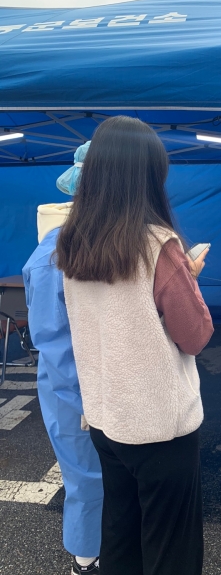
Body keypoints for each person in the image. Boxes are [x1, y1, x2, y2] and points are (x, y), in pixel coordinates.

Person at [56, 115, 214, 575]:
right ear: (146, 176)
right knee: (171, 550)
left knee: (121, 534)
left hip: (106, 417)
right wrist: (188, 280)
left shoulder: (73, 242)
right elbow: (195, 336)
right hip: (159, 426)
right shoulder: (157, 245)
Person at [22, 141, 103, 575]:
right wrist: (90, 398)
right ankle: (86, 558)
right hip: (73, 387)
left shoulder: (87, 241)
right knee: (86, 473)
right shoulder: (57, 254)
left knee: (99, 472)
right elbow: (55, 342)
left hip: (89, 383)